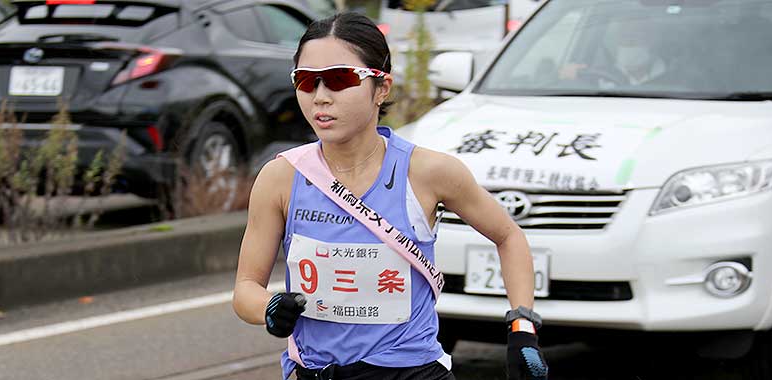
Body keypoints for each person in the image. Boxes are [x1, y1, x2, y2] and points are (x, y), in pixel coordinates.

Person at [233, 12, 547, 380]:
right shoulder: (281, 178)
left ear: (381, 88)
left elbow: (508, 235)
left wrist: (522, 329)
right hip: (316, 372)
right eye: (305, 81)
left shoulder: (429, 172)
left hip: (411, 372)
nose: (320, 97)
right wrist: (269, 307)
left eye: (338, 79)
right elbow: (244, 290)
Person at [559, 20, 666, 87]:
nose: (628, 43)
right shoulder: (597, 75)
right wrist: (567, 74)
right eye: (624, 37)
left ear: (652, 41)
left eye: (635, 37)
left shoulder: (673, 78)